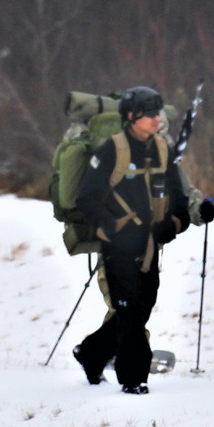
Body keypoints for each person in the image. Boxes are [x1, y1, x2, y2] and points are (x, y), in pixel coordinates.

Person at [71, 86, 191, 394]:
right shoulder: (112, 150)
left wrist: (175, 222)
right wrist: (111, 228)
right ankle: (134, 378)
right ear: (131, 116)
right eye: (150, 115)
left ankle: (91, 353)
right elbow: (87, 198)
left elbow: (178, 195)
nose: (156, 120)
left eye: (158, 114)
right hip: (118, 246)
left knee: (143, 306)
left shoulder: (163, 149)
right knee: (128, 311)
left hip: (150, 245)